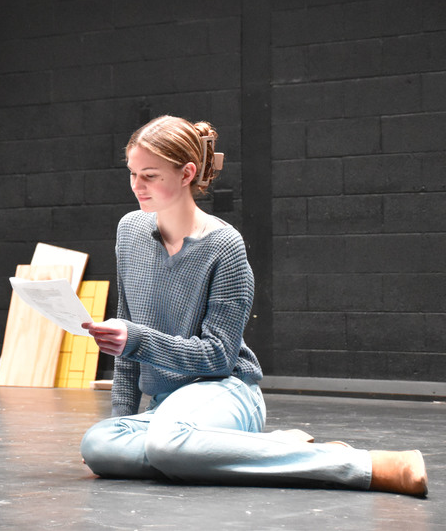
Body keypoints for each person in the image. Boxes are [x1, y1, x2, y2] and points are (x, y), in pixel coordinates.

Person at [79, 115, 427, 496]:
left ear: (186, 173)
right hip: (166, 409)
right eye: (132, 173)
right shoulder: (130, 231)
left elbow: (216, 358)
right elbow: (128, 341)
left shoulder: (224, 247)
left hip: (224, 391)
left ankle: (361, 464)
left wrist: (136, 339)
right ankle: (266, 450)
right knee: (99, 446)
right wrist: (122, 424)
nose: (136, 186)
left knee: (166, 445)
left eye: (150, 175)